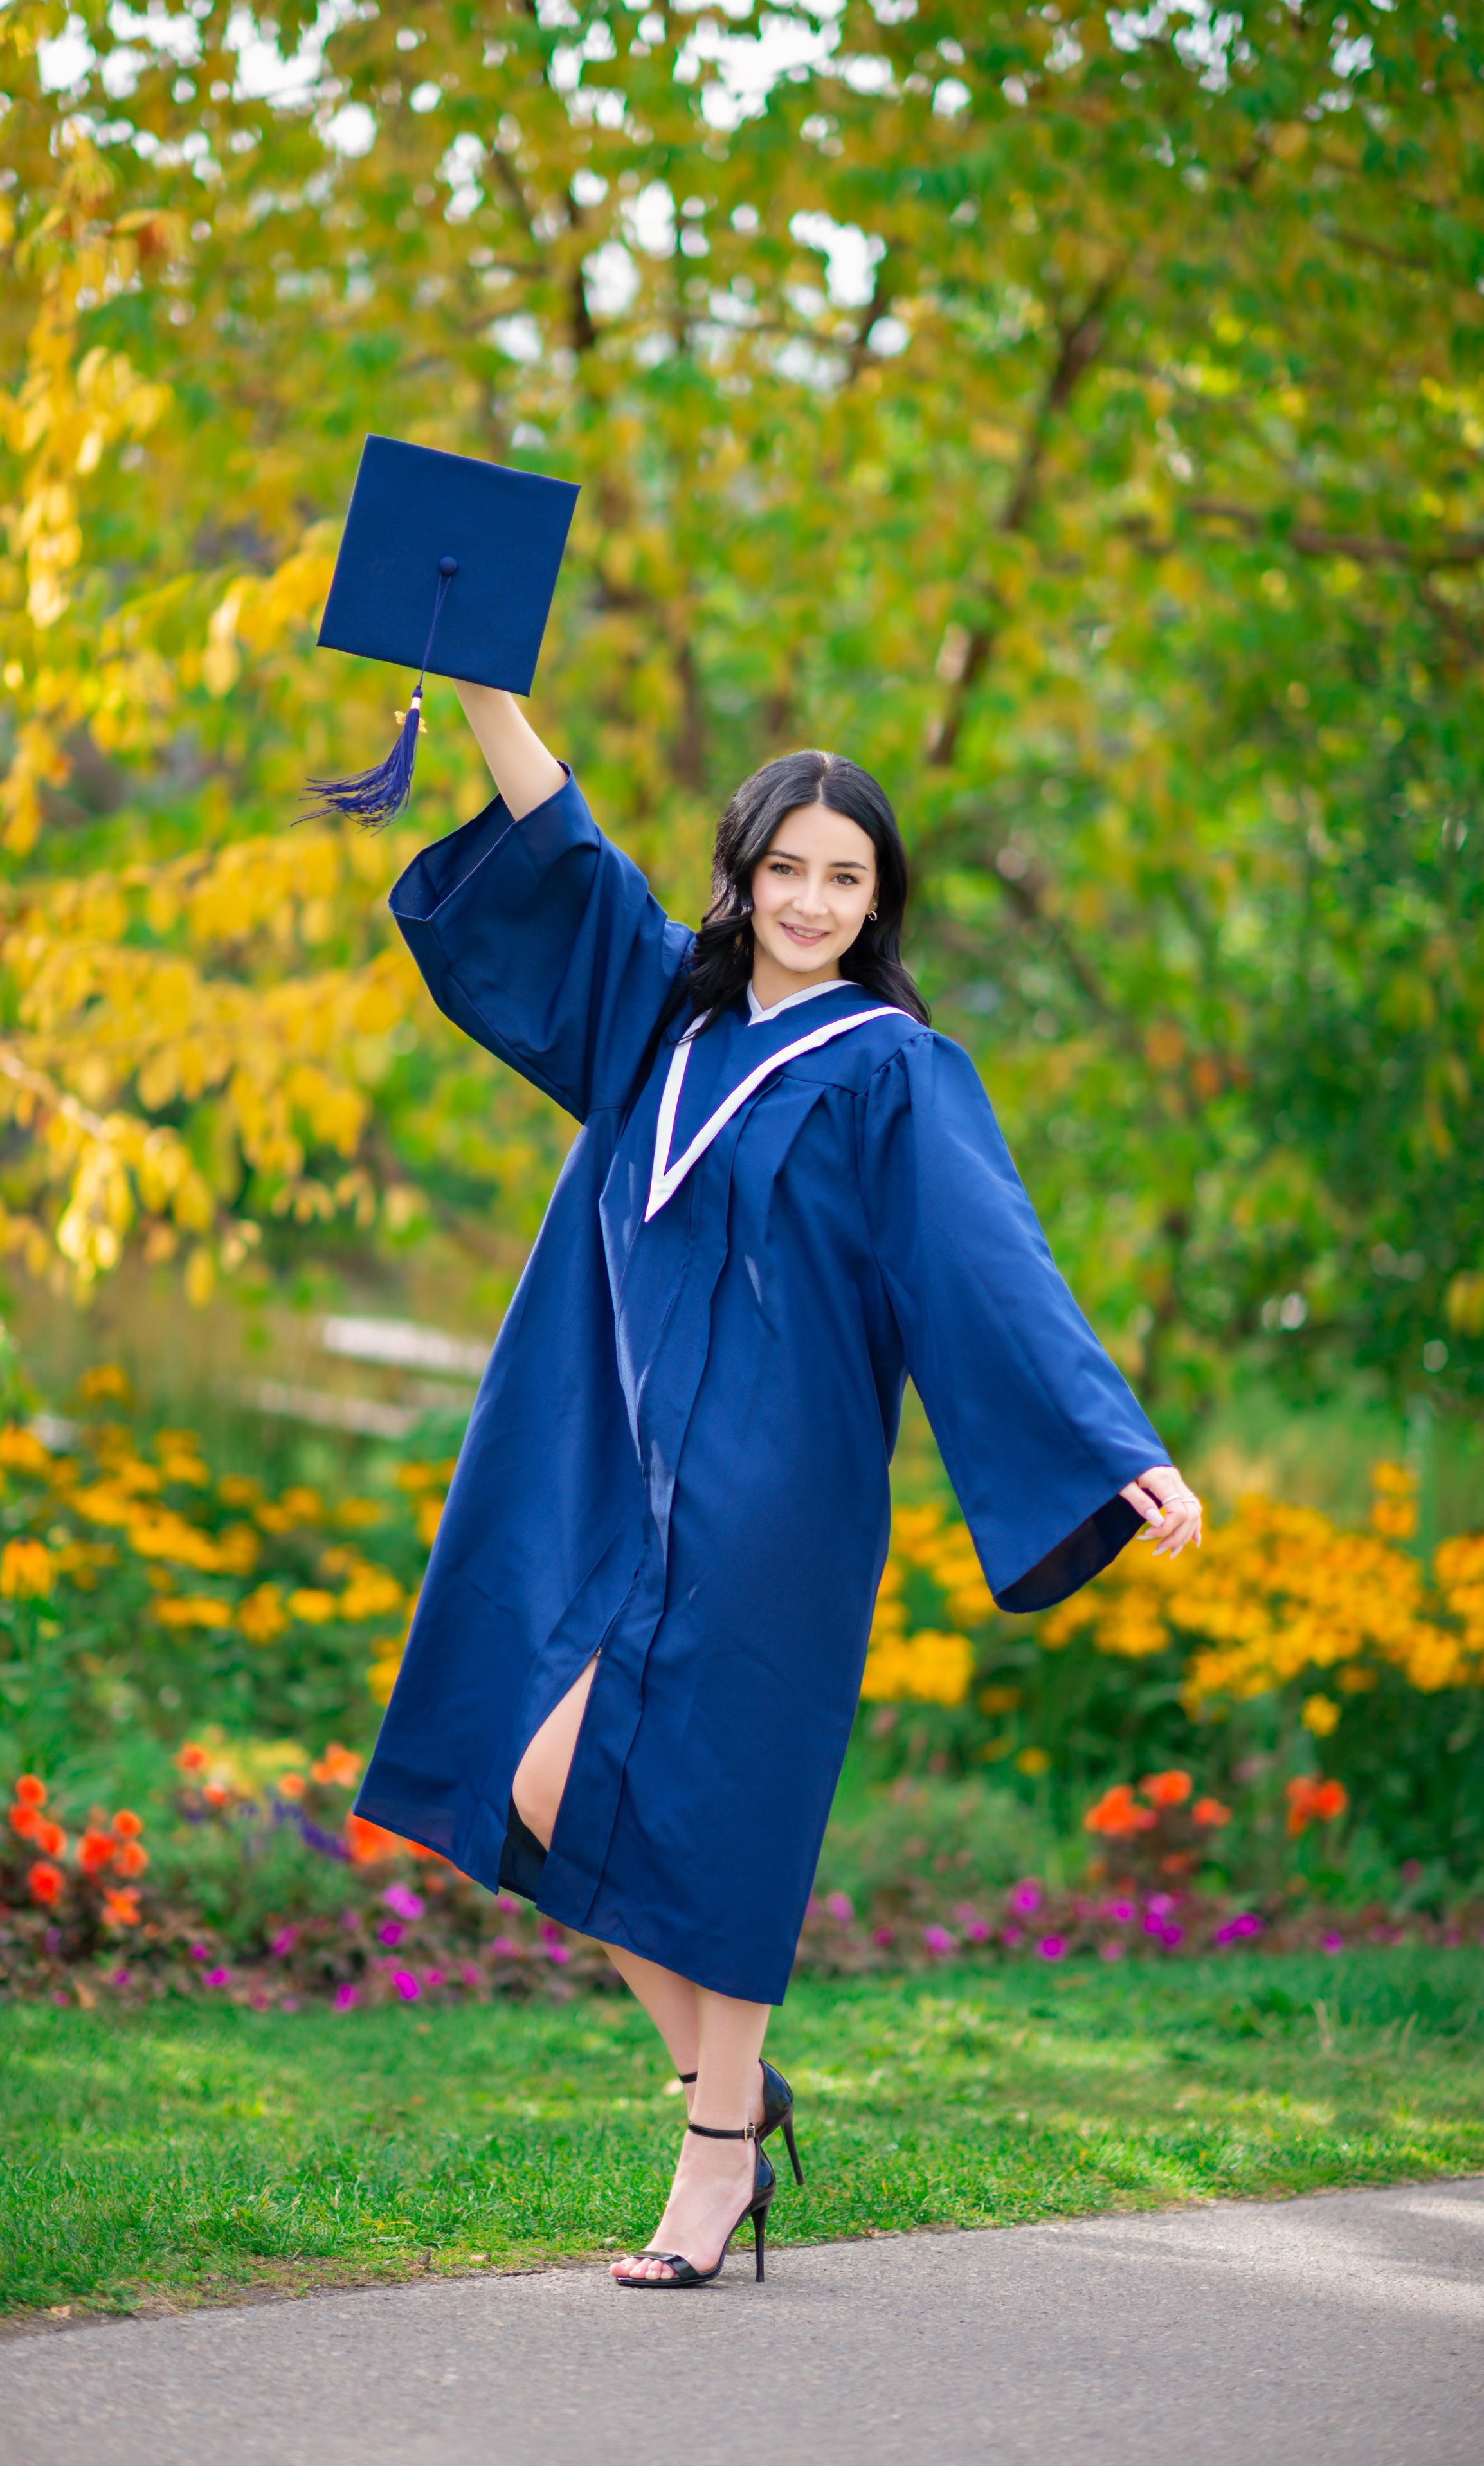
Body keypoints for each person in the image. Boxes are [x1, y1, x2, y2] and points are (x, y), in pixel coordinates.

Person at [353, 683, 1202, 2290]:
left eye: (845, 878)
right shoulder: (661, 1013)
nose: (811, 902)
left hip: (775, 1490)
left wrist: (1115, 1445)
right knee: (534, 1776)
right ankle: (731, 2101)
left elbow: (989, 1264)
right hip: (618, 1458)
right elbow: (564, 845)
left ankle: (708, 2156)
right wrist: (484, 693)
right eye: (786, 868)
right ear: (740, 874)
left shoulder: (891, 1069)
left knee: (720, 1815)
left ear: (877, 903)